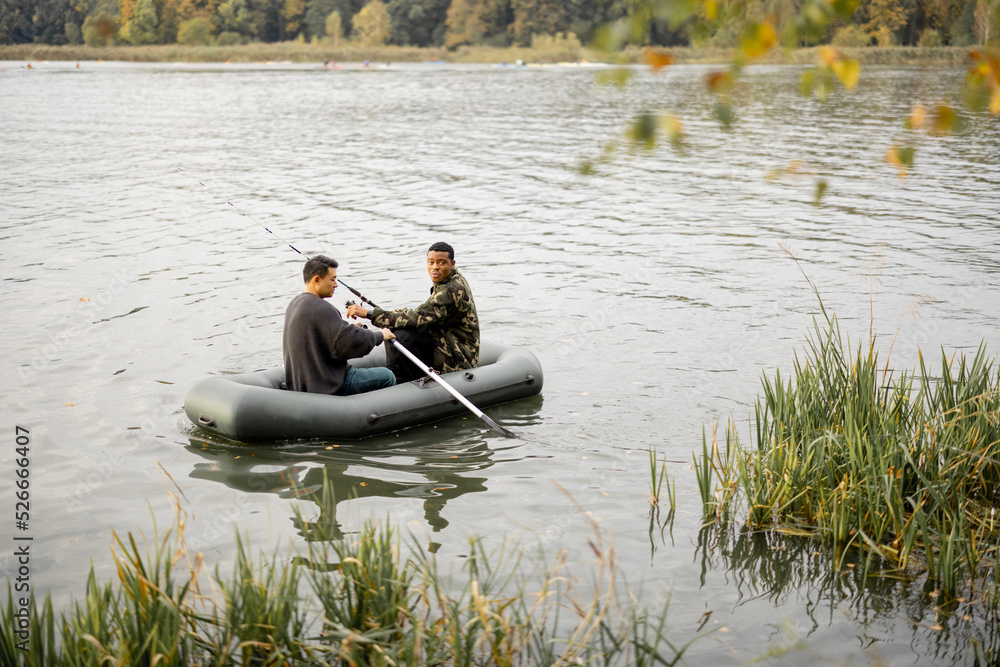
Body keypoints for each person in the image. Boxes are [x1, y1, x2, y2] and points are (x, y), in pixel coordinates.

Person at [346, 242, 479, 382]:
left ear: (452, 264)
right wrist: (389, 314)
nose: (435, 267)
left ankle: (398, 379)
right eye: (431, 262)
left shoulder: (451, 290)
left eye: (441, 263)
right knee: (400, 327)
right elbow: (423, 312)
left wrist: (369, 314)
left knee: (399, 335)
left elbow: (417, 317)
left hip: (458, 356)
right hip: (445, 336)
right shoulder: (452, 279)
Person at [283, 255, 396, 395]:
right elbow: (350, 343)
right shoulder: (322, 308)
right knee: (387, 376)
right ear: (317, 280)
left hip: (305, 382)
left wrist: (355, 329)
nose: (336, 284)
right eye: (332, 279)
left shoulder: (294, 304)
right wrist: (380, 335)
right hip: (327, 384)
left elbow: (327, 338)